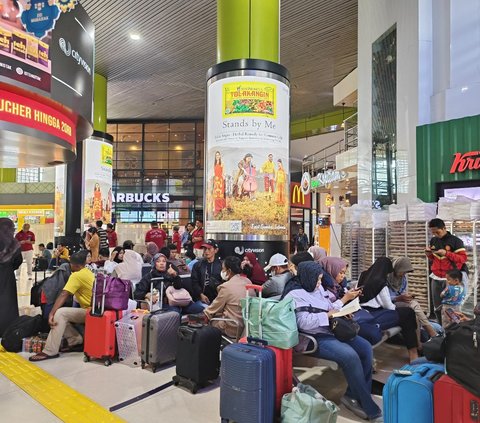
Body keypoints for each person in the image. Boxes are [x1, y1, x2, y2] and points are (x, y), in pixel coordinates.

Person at [284, 261, 382, 422]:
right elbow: (304, 323)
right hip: (314, 337)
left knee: (365, 348)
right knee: (350, 356)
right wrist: (328, 315)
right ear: (308, 277)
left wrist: (344, 305)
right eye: (317, 279)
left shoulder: (317, 288)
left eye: (320, 279)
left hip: (332, 329)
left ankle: (352, 394)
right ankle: (368, 405)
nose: (319, 283)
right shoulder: (294, 294)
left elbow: (329, 306)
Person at [29, 252, 94, 361]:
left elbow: (64, 294)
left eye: (71, 265)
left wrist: (51, 313)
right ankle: (75, 340)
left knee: (59, 313)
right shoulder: (88, 272)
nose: (70, 267)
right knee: (63, 315)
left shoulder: (76, 275)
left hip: (89, 311)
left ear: (76, 266)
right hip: (93, 310)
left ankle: (50, 351)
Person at [357, 257, 419, 362]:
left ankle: (414, 347)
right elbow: (389, 307)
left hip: (362, 311)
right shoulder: (381, 283)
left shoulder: (363, 276)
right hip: (375, 315)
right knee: (408, 314)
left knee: (406, 314)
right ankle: (414, 353)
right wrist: (399, 303)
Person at [426, 218, 468, 324]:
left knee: (453, 307)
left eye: (437, 232)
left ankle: (454, 329)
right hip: (436, 277)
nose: (435, 234)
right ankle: (440, 328)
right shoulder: (434, 240)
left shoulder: (456, 241)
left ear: (444, 228)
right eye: (433, 232)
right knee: (437, 306)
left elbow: (462, 259)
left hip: (450, 279)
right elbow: (434, 259)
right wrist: (429, 254)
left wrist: (446, 253)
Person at [135, 253, 204, 314]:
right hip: (163, 305)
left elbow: (179, 287)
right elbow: (137, 293)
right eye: (158, 261)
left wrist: (175, 275)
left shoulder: (170, 274)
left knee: (200, 308)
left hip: (179, 301)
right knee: (175, 312)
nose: (161, 263)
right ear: (154, 263)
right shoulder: (148, 277)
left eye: (164, 261)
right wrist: (147, 295)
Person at [387, 257, 438, 338]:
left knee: (415, 314)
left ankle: (420, 343)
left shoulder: (402, 279)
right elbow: (384, 299)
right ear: (396, 268)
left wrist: (406, 296)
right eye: (402, 272)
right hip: (388, 305)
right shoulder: (386, 279)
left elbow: (402, 291)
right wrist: (398, 298)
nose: (404, 274)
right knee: (413, 304)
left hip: (399, 302)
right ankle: (431, 332)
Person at [203, 256, 252, 339]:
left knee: (210, 321)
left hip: (232, 327)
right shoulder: (248, 281)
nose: (221, 271)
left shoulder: (226, 287)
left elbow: (212, 309)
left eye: (223, 269)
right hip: (247, 327)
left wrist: (205, 314)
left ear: (229, 271)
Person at [0, 218, 23, 336]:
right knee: (7, 302)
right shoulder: (14, 243)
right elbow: (18, 261)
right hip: (7, 276)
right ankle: (6, 330)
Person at [191, 239, 222, 305]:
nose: (206, 251)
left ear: (216, 250)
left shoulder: (221, 265)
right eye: (204, 249)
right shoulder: (197, 265)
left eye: (209, 249)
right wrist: (200, 294)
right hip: (201, 298)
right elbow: (194, 282)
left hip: (218, 299)